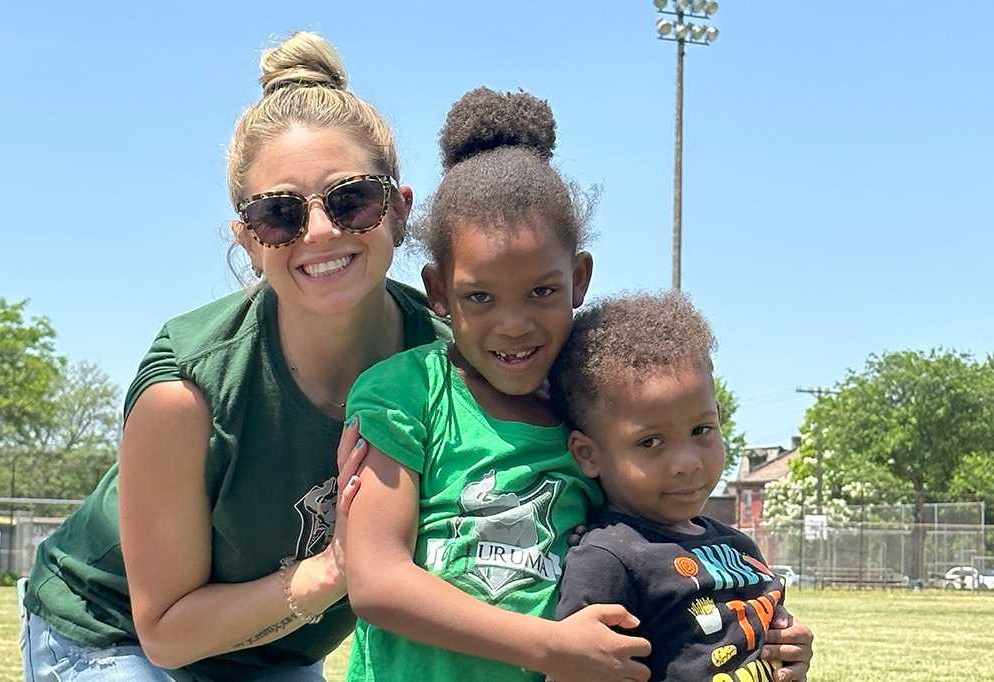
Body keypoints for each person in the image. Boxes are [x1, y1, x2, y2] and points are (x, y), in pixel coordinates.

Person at [342, 88, 814, 682]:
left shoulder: (598, 409)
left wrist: (769, 646)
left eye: (541, 291)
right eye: (479, 296)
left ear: (579, 279)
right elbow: (376, 582)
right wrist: (548, 647)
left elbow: (667, 567)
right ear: (438, 293)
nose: (513, 324)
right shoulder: (406, 393)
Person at [20, 31, 449, 681]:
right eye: (280, 214)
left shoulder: (449, 364)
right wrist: (339, 565)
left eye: (351, 198)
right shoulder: (188, 389)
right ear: (249, 240)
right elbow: (163, 631)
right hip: (114, 632)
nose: (322, 231)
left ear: (398, 210)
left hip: (277, 648)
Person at [548, 290, 806, 682]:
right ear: (588, 454)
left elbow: (772, 649)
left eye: (701, 429)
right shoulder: (609, 560)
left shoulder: (741, 548)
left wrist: (792, 652)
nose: (687, 462)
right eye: (650, 442)